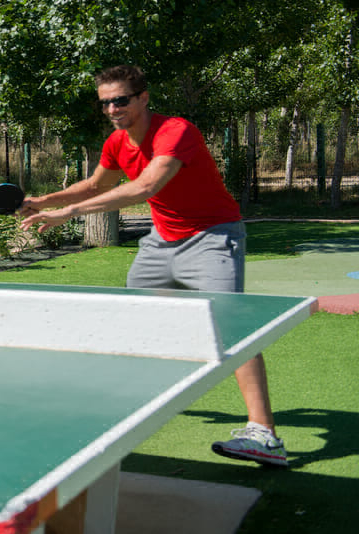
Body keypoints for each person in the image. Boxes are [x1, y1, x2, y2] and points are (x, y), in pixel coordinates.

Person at [19, 64, 286, 467]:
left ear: (143, 97)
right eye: (106, 102)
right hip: (161, 243)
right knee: (138, 321)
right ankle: (137, 405)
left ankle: (264, 435)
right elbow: (95, 185)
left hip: (212, 236)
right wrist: (43, 202)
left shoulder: (176, 131)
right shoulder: (116, 143)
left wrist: (70, 212)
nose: (112, 108)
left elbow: (146, 186)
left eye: (120, 100)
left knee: (234, 329)